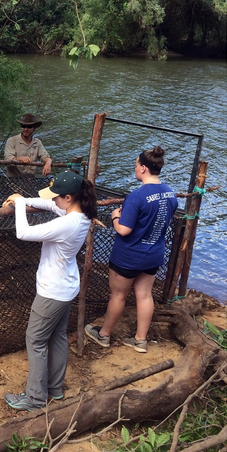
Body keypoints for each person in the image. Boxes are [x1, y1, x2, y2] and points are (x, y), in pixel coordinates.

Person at [1, 171, 98, 411]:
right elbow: (50, 205)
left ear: (68, 197)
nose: (53, 200)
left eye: (57, 197)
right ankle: (54, 388)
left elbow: (23, 233)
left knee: (34, 340)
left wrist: (21, 204)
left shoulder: (67, 223)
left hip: (51, 292)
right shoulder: (80, 213)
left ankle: (34, 399)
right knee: (58, 336)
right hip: (66, 288)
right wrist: (24, 198)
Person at [84, 146, 177, 354]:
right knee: (144, 295)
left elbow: (124, 230)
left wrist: (115, 217)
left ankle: (104, 334)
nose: (134, 169)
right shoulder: (170, 193)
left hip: (129, 256)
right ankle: (140, 340)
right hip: (153, 254)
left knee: (118, 296)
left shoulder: (137, 196)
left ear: (143, 168)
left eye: (136, 165)